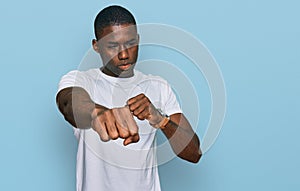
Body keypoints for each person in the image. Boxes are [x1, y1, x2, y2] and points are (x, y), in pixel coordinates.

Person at [56, 5, 202, 191]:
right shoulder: (81, 80)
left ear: (138, 40)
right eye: (112, 46)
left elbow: (194, 153)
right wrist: (96, 113)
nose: (124, 54)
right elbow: (69, 103)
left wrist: (160, 120)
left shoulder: (158, 86)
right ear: (96, 46)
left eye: (131, 44)